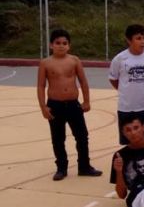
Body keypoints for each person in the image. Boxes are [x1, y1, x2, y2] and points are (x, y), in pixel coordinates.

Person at [37, 29, 102, 181]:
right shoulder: (45, 63)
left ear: (69, 45)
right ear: (51, 45)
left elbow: (83, 82)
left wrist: (86, 101)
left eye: (64, 43)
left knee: (82, 136)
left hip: (73, 104)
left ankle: (84, 166)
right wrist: (43, 107)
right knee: (58, 138)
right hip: (55, 105)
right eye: (58, 43)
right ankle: (61, 168)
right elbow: (41, 86)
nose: (61, 46)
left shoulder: (74, 60)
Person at [109, 24, 144, 144]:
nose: (142, 42)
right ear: (128, 40)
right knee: (130, 143)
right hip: (127, 108)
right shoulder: (119, 59)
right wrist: (125, 90)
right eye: (138, 38)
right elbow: (113, 79)